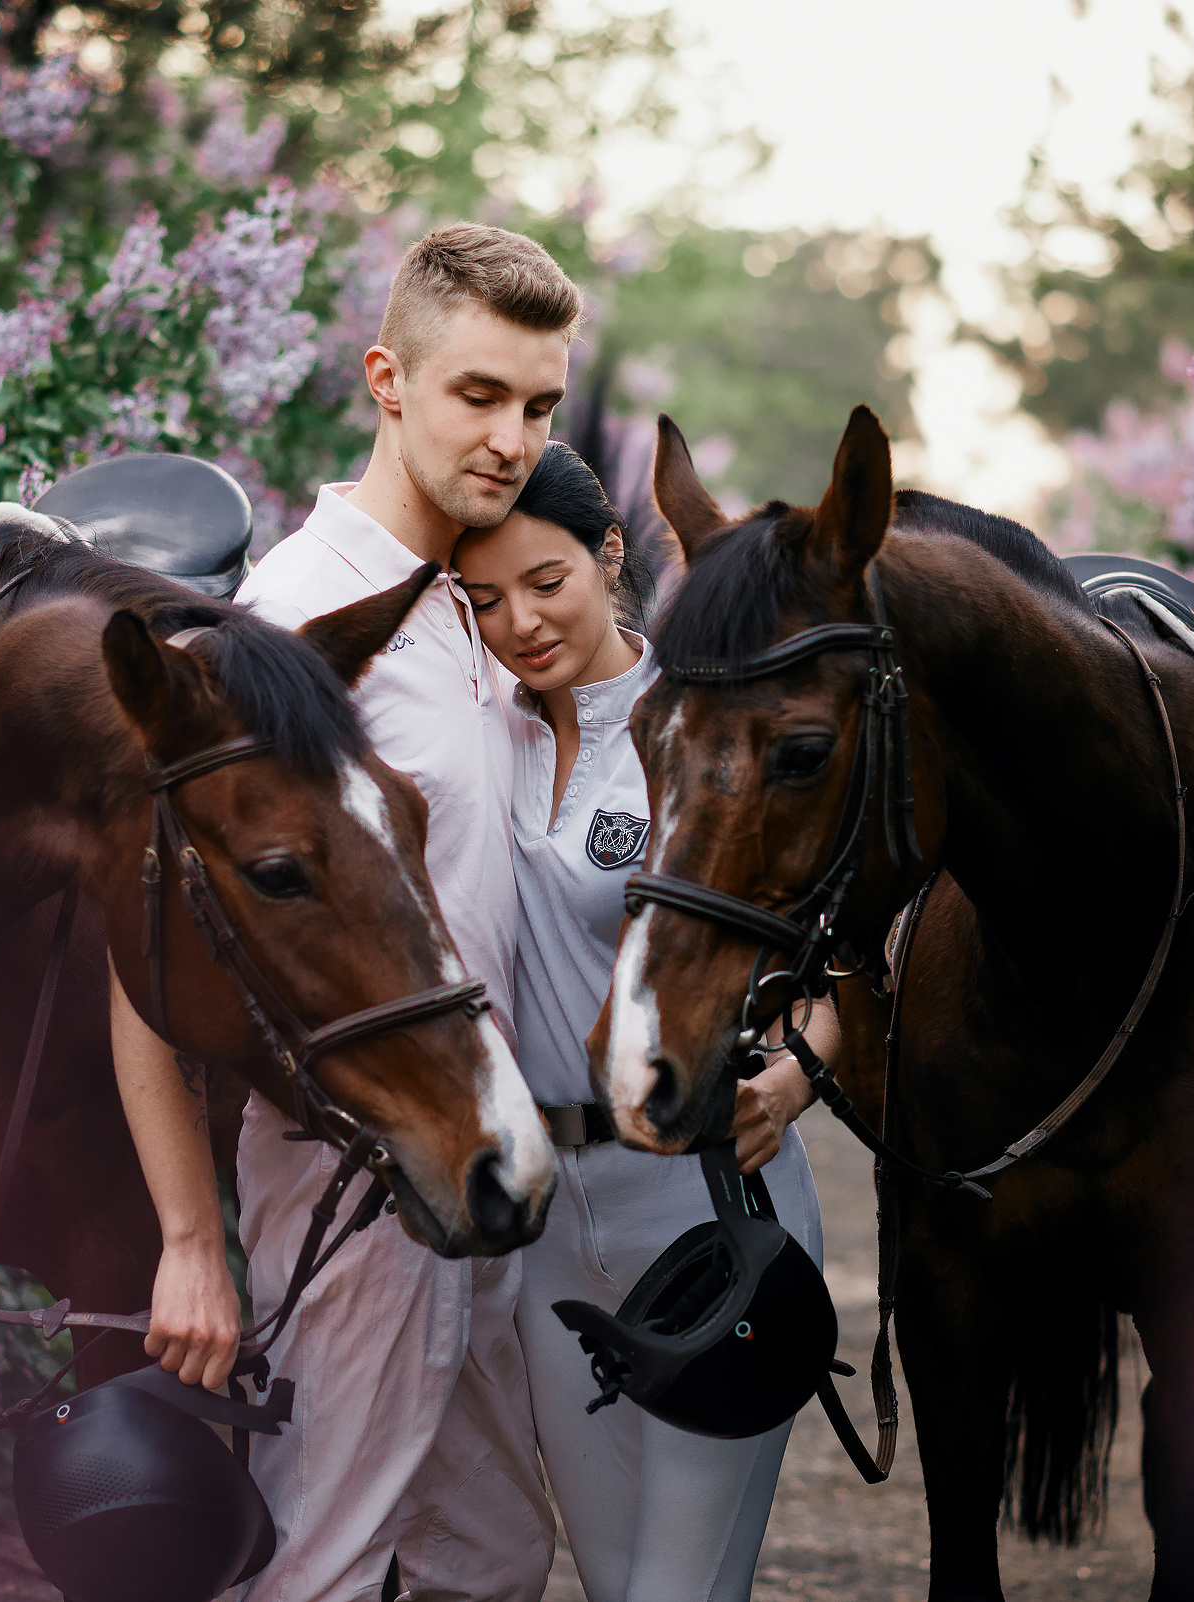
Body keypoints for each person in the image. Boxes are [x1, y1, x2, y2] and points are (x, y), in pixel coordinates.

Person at [109, 222, 582, 1602]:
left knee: (490, 1556)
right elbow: (142, 955)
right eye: (477, 395)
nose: (510, 437)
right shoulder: (297, 621)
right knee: (321, 1555)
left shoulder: (470, 607)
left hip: (476, 1138)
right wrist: (192, 1240)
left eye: (538, 404)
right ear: (389, 377)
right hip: (358, 1161)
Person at [453, 442, 831, 1602]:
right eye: (484, 599)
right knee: (618, 1586)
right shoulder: (481, 735)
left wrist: (797, 1075)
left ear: (611, 554)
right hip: (550, 1225)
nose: (519, 621)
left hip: (704, 1206)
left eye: (547, 581)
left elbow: (845, 954)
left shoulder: (701, 730)